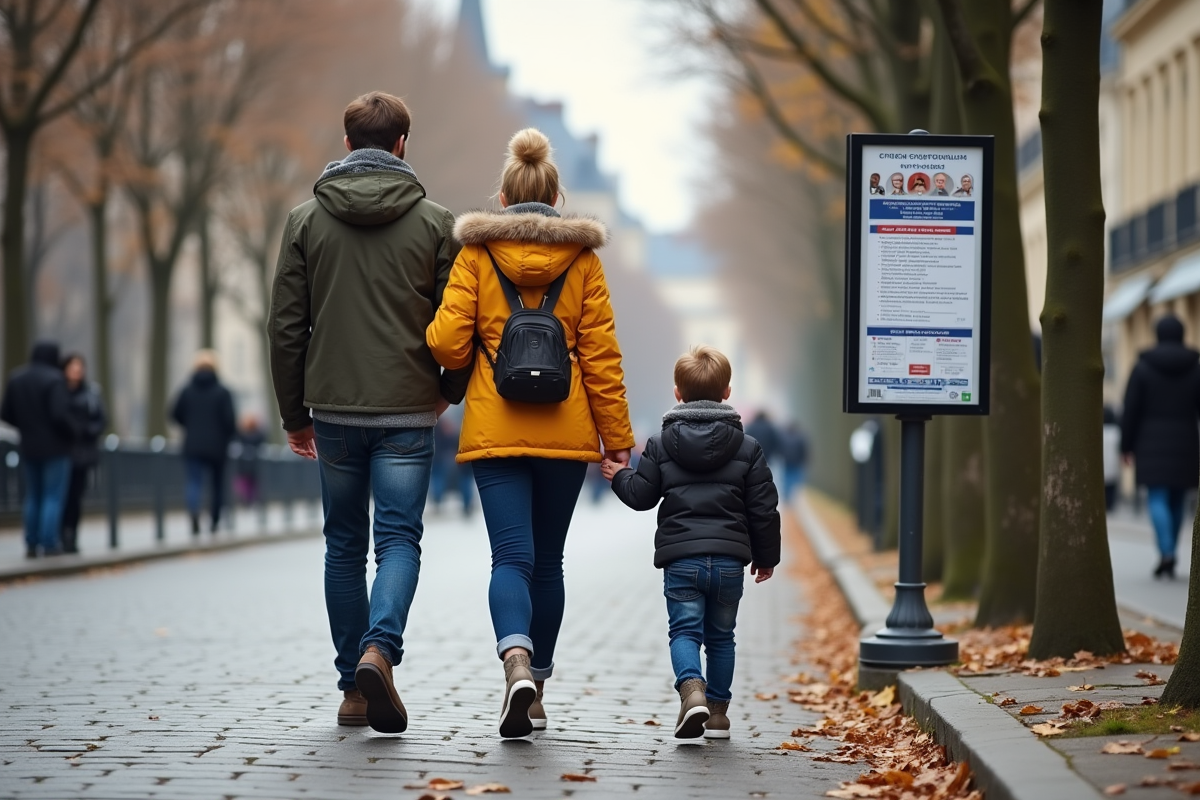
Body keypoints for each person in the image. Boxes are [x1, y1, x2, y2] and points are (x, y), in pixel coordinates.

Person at [269, 92, 470, 734]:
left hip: (332, 409)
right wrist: (450, 389)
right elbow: (464, 324)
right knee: (398, 539)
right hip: (409, 408)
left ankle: (352, 689)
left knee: (342, 545)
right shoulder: (438, 224)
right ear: (403, 143)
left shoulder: (305, 221)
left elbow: (284, 327)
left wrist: (293, 413)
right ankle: (380, 651)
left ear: (348, 142)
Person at [427, 127, 634, 739]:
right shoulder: (585, 262)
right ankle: (536, 686)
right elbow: (601, 360)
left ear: (502, 195)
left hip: (497, 431)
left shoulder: (475, 256)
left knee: (509, 558)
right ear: (556, 196)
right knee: (548, 563)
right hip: (566, 437)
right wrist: (616, 440)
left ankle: (512, 658)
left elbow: (445, 342)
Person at [600, 346, 780, 740]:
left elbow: (643, 496)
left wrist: (618, 475)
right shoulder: (748, 449)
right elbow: (764, 507)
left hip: (681, 559)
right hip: (731, 562)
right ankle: (717, 714)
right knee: (722, 637)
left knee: (684, 633)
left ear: (677, 393)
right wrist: (766, 557)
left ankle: (691, 690)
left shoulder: (661, 444)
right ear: (727, 392)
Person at [1120, 315, 1200, 579]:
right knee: (1177, 498)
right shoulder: (1195, 367)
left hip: (1150, 441)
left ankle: (1166, 551)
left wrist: (1126, 446)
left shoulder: (1142, 368)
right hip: (1186, 440)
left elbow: (1130, 410)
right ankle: (1171, 551)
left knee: (1157, 497)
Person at [0, 341, 78, 558]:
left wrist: (27, 426)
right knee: (53, 495)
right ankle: (49, 542)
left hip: (28, 445)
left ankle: (31, 543)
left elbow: (6, 413)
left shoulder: (17, 378)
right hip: (56, 447)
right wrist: (74, 431)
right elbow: (60, 414)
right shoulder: (55, 380)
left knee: (33, 495)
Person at [172, 350, 237, 535]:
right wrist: (227, 435)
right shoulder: (223, 392)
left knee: (194, 482)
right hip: (217, 446)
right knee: (217, 484)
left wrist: (190, 426)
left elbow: (175, 413)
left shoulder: (186, 391)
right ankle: (214, 520)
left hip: (192, 444)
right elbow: (230, 420)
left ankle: (194, 512)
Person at [61, 353, 107, 554]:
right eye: (73, 366)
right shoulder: (57, 391)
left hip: (84, 452)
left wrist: (91, 430)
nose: (77, 371)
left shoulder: (91, 393)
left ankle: (71, 534)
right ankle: (58, 534)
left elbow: (102, 419)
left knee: (76, 496)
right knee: (60, 495)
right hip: (61, 450)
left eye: (80, 367)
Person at [233, 414, 266, 508]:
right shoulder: (258, 437)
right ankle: (251, 501)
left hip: (243, 466)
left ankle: (245, 501)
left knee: (243, 483)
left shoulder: (241, 437)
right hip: (254, 466)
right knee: (252, 484)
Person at [780, 422, 810, 501]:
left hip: (787, 461)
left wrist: (782, 457)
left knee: (787, 479)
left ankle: (787, 496)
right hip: (797, 462)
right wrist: (805, 459)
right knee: (796, 479)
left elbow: (781, 449)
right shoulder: (800, 437)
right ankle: (796, 496)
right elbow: (804, 450)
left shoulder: (784, 437)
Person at [1102, 405, 1121, 512]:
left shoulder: (1097, 431)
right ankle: (1110, 506)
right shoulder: (1116, 432)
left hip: (1100, 466)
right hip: (1112, 466)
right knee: (1110, 489)